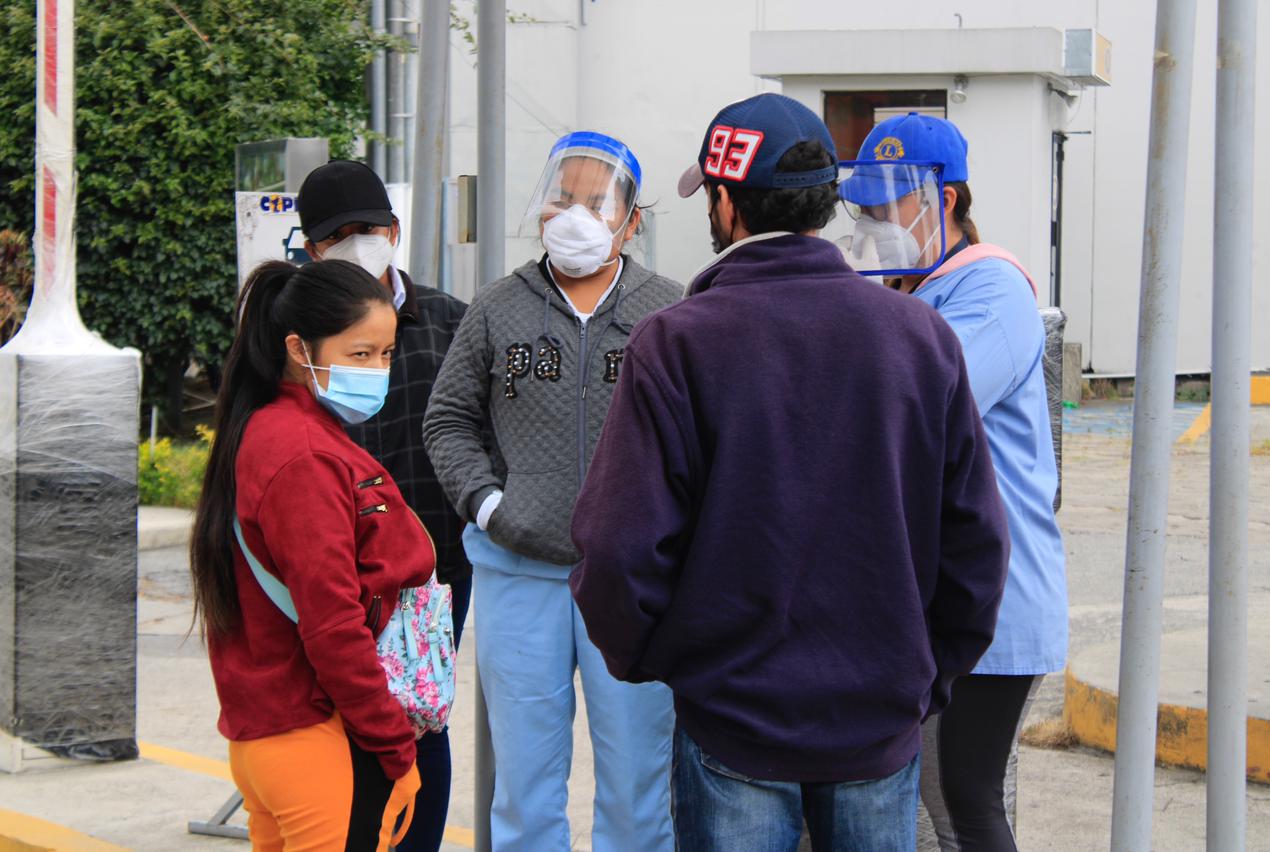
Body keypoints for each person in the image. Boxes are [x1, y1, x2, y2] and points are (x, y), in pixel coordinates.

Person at [567, 93, 1011, 852]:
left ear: (727, 203)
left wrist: (666, 663)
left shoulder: (677, 342)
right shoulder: (918, 337)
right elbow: (977, 543)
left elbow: (617, 548)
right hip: (879, 720)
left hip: (732, 723)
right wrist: (923, 677)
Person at [424, 131, 682, 850]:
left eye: (597, 202)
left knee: (637, 784)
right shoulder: (497, 307)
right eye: (561, 196)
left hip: (632, 585)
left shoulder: (668, 313)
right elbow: (447, 419)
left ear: (633, 221)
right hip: (517, 580)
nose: (574, 213)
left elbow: (701, 435)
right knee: (526, 786)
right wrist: (489, 506)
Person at [841, 114, 1068, 852]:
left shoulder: (991, 287)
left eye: (894, 202)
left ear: (948, 198)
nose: (880, 220)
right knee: (946, 797)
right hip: (941, 596)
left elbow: (925, 399)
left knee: (965, 798)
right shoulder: (911, 287)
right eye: (869, 205)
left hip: (995, 597)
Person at [190, 259, 432, 850]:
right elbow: (332, 625)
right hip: (318, 743)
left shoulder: (269, 429)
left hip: (269, 737)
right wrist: (396, 747)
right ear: (299, 349)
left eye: (385, 353)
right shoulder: (305, 455)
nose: (379, 370)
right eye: (359, 354)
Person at [297, 159, 470, 851]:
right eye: (340, 235)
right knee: (340, 714)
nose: (359, 243)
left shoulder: (450, 321)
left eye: (370, 228)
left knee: (421, 717)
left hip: (433, 570)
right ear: (312, 250)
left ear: (395, 232)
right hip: (329, 563)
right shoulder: (294, 340)